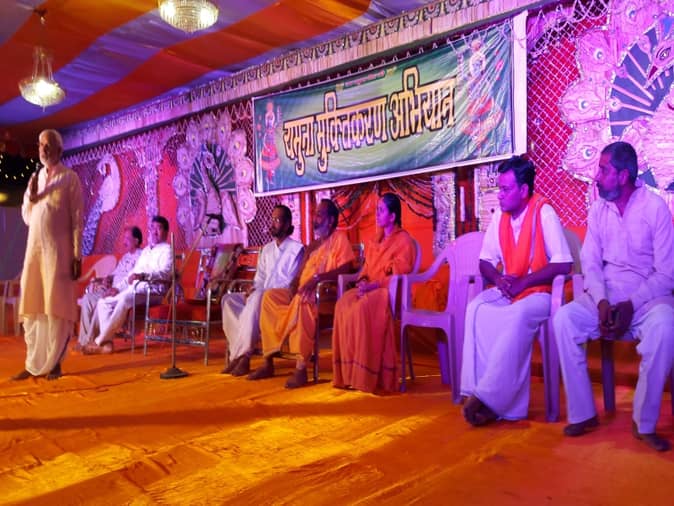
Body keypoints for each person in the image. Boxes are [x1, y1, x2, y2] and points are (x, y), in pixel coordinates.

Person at [553, 141, 674, 452]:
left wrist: (631, 305)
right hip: (606, 294)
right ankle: (583, 413)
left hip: (647, 299)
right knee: (565, 319)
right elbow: (591, 263)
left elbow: (666, 274)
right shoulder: (598, 209)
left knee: (665, 327)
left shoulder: (655, 208)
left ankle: (643, 422)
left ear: (623, 176)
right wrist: (603, 301)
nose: (597, 176)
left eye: (603, 170)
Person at [460, 155, 573, 425]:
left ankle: (490, 401)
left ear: (523, 190)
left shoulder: (544, 212)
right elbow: (485, 261)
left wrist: (524, 282)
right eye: (499, 188)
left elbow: (564, 263)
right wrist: (499, 280)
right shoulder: (500, 216)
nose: (500, 195)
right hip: (509, 287)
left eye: (505, 189)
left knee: (517, 315)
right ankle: (477, 390)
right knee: (476, 308)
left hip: (540, 293)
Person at [248, 199, 355, 388]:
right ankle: (268, 361)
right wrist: (294, 286)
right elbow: (299, 274)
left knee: (303, 300)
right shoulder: (313, 246)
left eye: (319, 215)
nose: (315, 218)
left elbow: (346, 268)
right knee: (269, 297)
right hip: (304, 291)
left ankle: (301, 368)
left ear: (331, 220)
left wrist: (317, 279)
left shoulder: (340, 239)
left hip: (325, 295)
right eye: (315, 214)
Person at [13, 129, 84, 380]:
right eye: (41, 144)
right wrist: (32, 198)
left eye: (48, 145)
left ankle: (55, 363)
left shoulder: (70, 178)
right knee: (33, 306)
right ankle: (33, 364)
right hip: (34, 253)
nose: (43, 149)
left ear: (59, 150)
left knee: (57, 308)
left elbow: (77, 219)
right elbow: (27, 217)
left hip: (59, 255)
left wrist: (77, 255)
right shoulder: (35, 178)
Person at [332, 193, 416, 393]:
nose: (377, 214)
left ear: (392, 216)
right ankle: (348, 374)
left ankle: (365, 375)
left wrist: (373, 286)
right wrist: (362, 282)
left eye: (381, 210)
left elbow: (398, 275)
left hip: (388, 294)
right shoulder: (375, 240)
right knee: (343, 304)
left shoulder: (403, 241)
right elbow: (367, 270)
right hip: (370, 289)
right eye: (377, 210)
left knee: (362, 308)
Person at [221, 205, 304, 376]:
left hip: (277, 297)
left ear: (288, 224)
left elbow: (290, 281)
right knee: (229, 300)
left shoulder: (297, 249)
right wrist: (252, 289)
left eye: (277, 220)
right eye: (271, 219)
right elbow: (260, 278)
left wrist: (260, 291)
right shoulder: (266, 249)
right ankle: (240, 354)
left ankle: (242, 358)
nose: (272, 224)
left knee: (260, 296)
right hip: (260, 295)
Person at [82, 216, 172, 354]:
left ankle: (99, 341)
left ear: (165, 232)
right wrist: (116, 288)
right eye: (152, 228)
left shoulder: (167, 250)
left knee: (124, 300)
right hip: (135, 290)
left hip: (153, 291)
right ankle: (107, 344)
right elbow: (131, 275)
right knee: (103, 302)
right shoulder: (147, 251)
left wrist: (144, 276)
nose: (154, 231)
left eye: (158, 228)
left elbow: (165, 273)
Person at [75, 226, 143, 350]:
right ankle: (83, 340)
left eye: (127, 238)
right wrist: (107, 278)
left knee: (100, 302)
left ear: (136, 241)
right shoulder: (125, 257)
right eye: (124, 238)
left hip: (120, 292)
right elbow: (115, 274)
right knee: (87, 299)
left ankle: (90, 341)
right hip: (110, 288)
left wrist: (117, 289)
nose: (124, 242)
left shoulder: (141, 257)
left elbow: (133, 280)